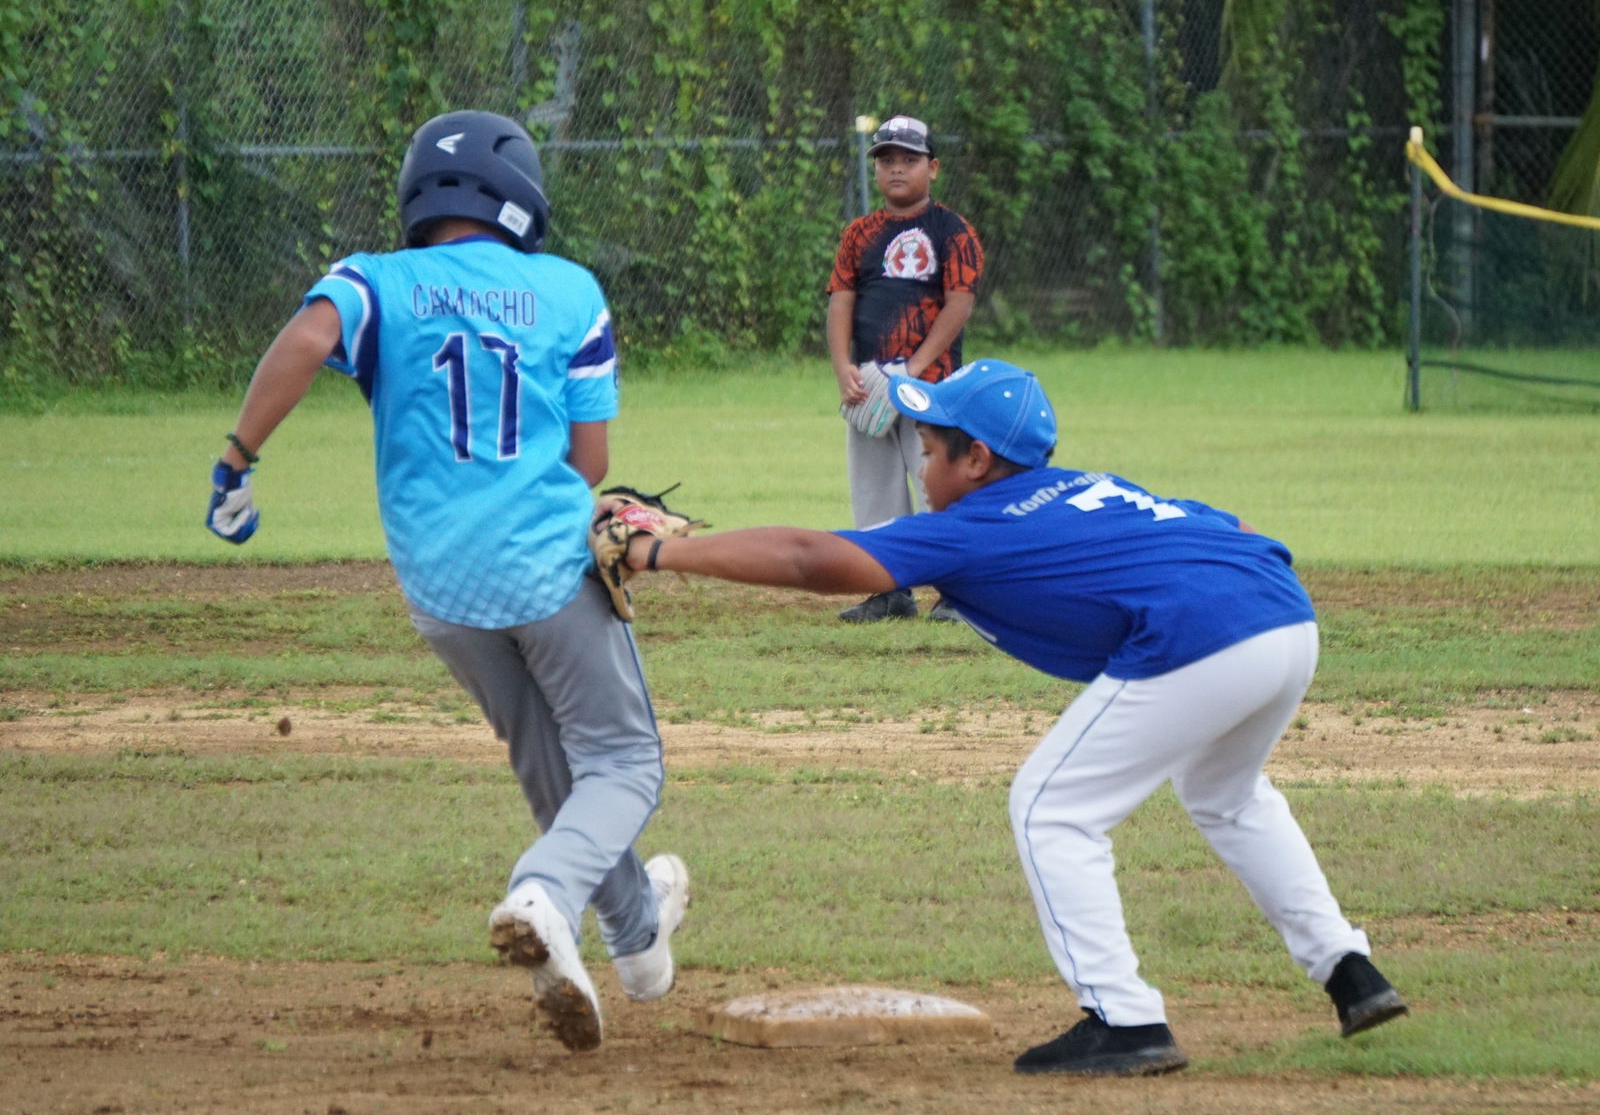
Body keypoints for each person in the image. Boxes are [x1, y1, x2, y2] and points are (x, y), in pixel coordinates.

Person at [600, 359, 1408, 1076]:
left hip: (1201, 638)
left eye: (931, 443)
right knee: (1228, 797)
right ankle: (1351, 973)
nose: (919, 458)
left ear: (976, 459)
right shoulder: (1093, 487)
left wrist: (656, 553)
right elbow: (1238, 529)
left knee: (1052, 807)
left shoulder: (977, 528)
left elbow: (818, 563)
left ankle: (1125, 1021)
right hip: (1284, 619)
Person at [203, 109, 688, 1054]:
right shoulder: (568, 290)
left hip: (438, 589)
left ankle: (636, 937)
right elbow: (589, 461)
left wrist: (236, 460)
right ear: (518, 197)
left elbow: (304, 342)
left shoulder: (374, 280)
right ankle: (543, 893)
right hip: (546, 568)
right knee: (626, 763)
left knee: (546, 751)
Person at [827, 114, 984, 623]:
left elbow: (959, 304)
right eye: (887, 160)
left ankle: (961, 593)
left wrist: (914, 368)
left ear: (932, 167)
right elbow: (841, 302)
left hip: (932, 385)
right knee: (874, 490)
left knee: (937, 483)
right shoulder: (860, 233)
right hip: (871, 381)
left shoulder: (951, 230)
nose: (897, 169)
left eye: (909, 159)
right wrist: (843, 367)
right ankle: (889, 590)